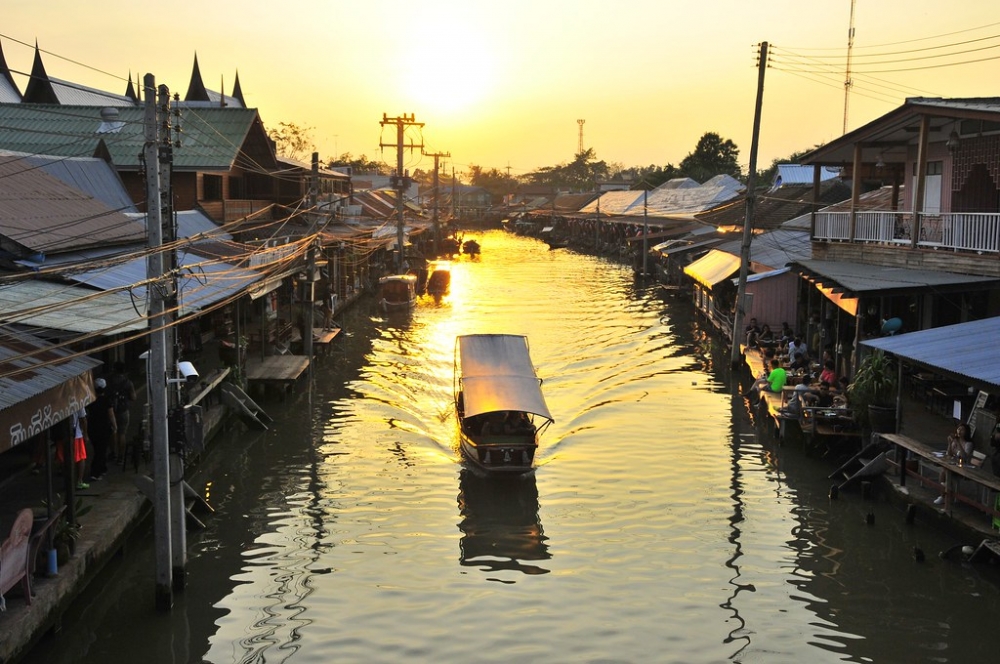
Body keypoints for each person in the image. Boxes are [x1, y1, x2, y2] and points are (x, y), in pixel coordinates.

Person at [86, 378, 117, 482]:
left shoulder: (90, 400)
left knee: (98, 449)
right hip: (104, 429)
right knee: (101, 451)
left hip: (92, 428)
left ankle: (103, 468)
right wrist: (115, 426)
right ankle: (95, 472)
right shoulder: (107, 400)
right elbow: (111, 415)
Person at [935, 423, 973, 504]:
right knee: (943, 471)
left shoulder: (968, 444)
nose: (959, 431)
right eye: (958, 429)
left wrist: (958, 443)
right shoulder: (955, 441)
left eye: (962, 430)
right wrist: (950, 443)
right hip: (953, 465)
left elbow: (964, 456)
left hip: (963, 468)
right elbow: (949, 454)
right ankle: (944, 494)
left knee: (944, 472)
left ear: (966, 432)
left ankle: (944, 495)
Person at [108, 361, 136, 460]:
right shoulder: (128, 382)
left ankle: (113, 453)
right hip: (123, 411)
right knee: (122, 433)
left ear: (114, 369)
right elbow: (133, 397)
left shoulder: (109, 381)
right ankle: (121, 456)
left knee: (113, 432)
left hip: (111, 411)